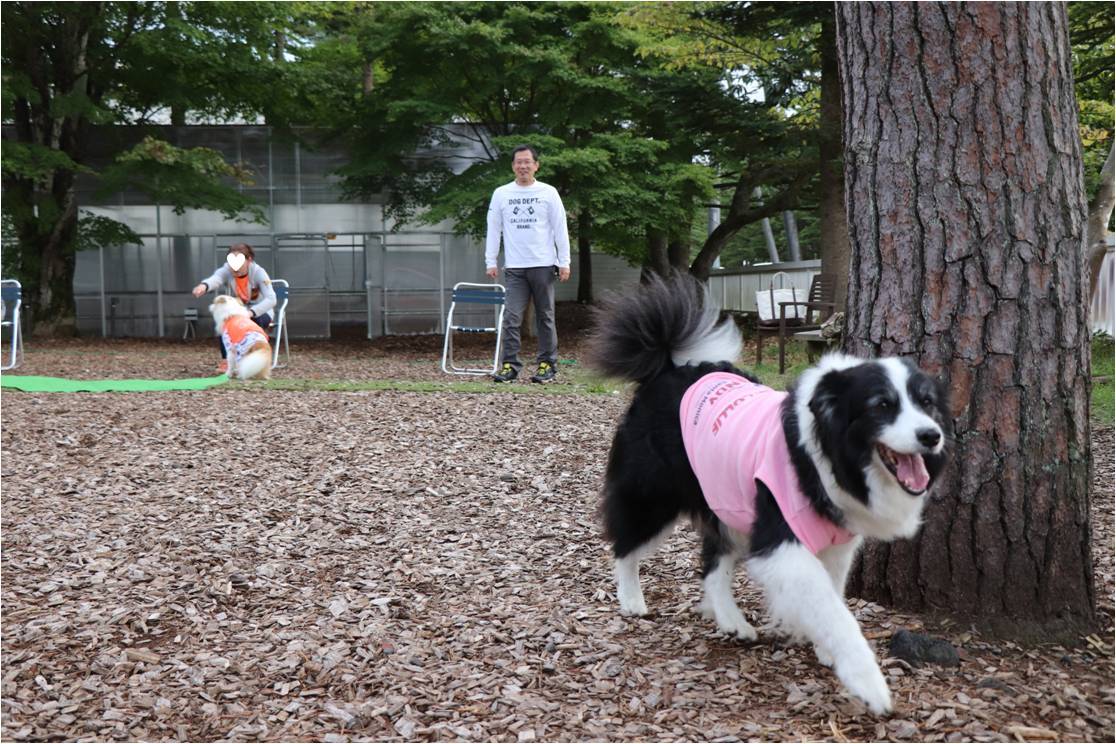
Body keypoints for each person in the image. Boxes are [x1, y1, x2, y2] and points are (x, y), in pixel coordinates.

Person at [485, 145, 571, 383]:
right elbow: (494, 229)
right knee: (511, 317)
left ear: (536, 165)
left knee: (545, 316)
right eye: (518, 162)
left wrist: (564, 261)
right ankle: (510, 365)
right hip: (514, 267)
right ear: (513, 166)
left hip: (543, 264)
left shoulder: (548, 192)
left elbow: (559, 228)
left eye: (527, 162)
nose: (523, 166)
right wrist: (490, 260)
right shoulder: (502, 193)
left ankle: (547, 364)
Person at [192, 243, 276, 374]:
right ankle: (227, 360)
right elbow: (217, 278)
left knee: (250, 324)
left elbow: (271, 299)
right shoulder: (227, 269)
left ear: (249, 260)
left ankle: (252, 359)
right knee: (226, 324)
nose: (234, 268)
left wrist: (250, 313)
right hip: (240, 311)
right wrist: (204, 286)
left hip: (261, 311)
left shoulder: (259, 273)